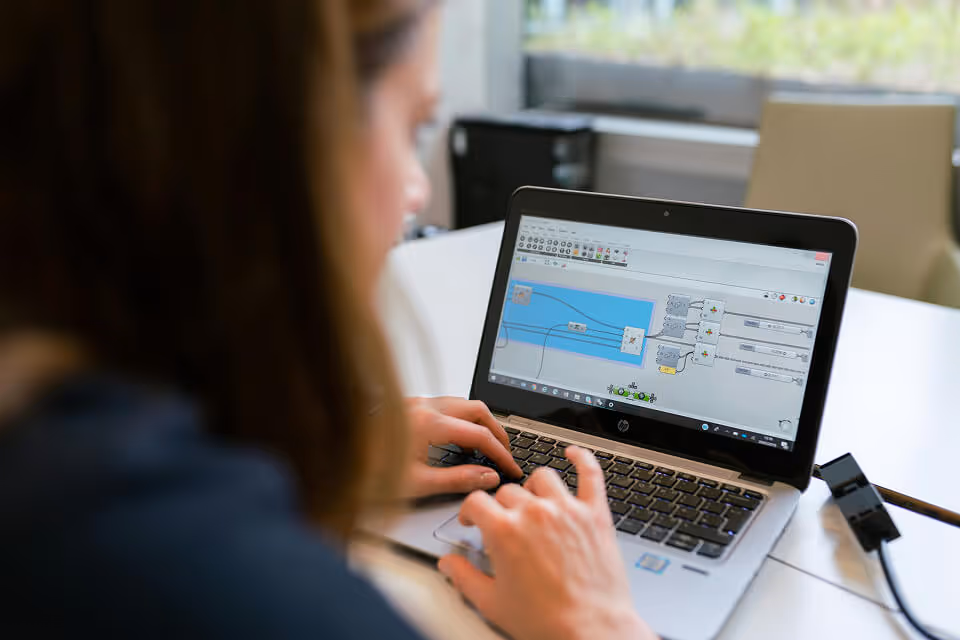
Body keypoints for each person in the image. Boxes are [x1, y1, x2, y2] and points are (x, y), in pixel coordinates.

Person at [0, 1, 657, 639]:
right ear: (284, 149)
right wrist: (596, 622)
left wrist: (326, 443)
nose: (417, 191)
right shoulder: (231, 589)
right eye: (414, 126)